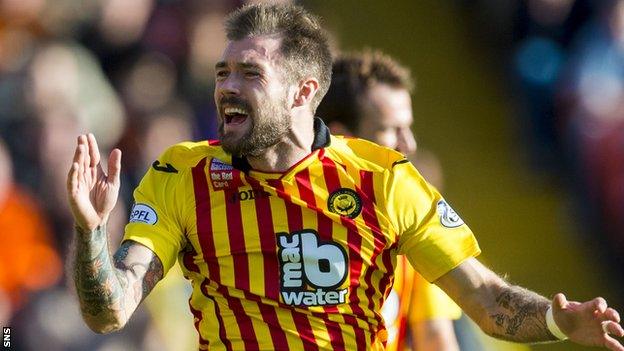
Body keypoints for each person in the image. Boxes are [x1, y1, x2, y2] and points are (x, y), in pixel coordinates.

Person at [67, 3, 624, 351]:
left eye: (250, 73)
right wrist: (92, 233)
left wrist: (557, 321)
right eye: (222, 72)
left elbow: (487, 302)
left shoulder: (384, 181)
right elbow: (110, 311)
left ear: (305, 92)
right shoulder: (180, 174)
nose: (227, 87)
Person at [316, 49, 463, 351]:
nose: (409, 144)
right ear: (344, 137)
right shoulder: (275, 216)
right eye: (390, 129)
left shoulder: (409, 224)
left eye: (408, 127)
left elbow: (435, 338)